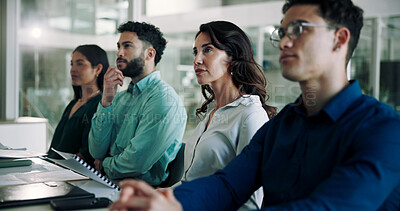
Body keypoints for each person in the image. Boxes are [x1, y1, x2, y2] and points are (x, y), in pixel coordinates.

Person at [109, 0, 400, 210]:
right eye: (283, 31)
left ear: (340, 39)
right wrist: (169, 201)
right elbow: (228, 185)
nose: (285, 41)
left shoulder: (383, 129)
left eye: (298, 29)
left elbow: (328, 206)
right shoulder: (284, 125)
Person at [182, 20, 276, 211]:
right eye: (195, 51)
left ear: (232, 58)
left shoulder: (250, 115)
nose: (196, 60)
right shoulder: (213, 113)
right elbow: (190, 181)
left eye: (207, 50)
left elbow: (251, 204)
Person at [88, 21, 187, 186]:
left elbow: (136, 163)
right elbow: (96, 151)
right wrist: (106, 101)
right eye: (119, 46)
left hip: (138, 193)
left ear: (149, 54)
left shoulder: (164, 99)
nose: (119, 52)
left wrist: (104, 165)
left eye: (127, 46)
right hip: (106, 183)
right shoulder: (119, 98)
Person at [47, 44, 109, 167]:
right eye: (72, 64)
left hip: (72, 175)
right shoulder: (73, 103)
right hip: (52, 170)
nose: (73, 70)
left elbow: (87, 154)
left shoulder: (100, 105)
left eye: (80, 63)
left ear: (98, 69)